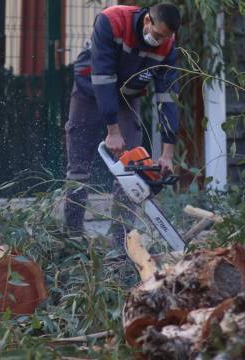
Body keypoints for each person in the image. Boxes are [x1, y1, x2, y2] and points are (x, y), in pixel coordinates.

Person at [63, 3, 181, 248]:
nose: (159, 41)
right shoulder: (112, 20)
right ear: (147, 20)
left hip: (128, 96)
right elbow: (103, 75)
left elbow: (168, 96)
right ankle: (72, 236)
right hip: (89, 89)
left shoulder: (167, 44)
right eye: (157, 35)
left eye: (165, 38)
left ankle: (120, 243)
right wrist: (112, 131)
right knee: (78, 169)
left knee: (130, 172)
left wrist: (168, 153)